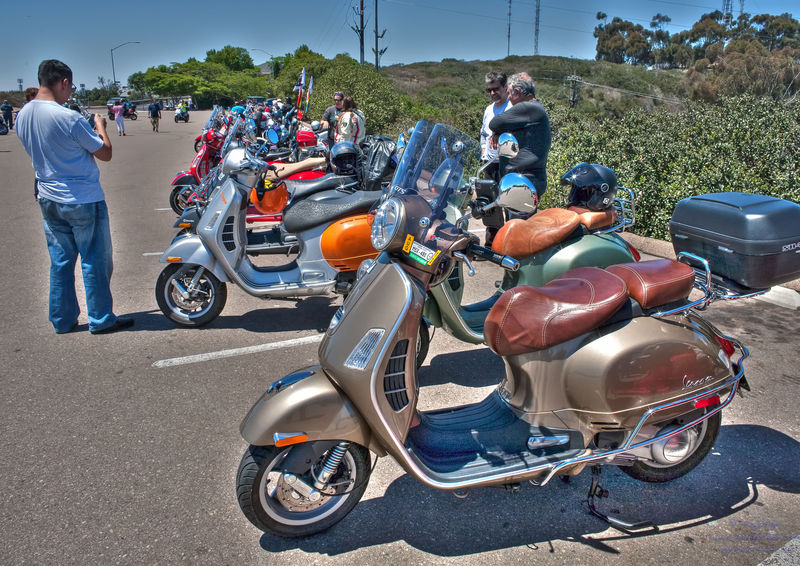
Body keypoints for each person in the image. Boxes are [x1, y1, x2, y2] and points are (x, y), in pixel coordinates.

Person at [15, 59, 134, 335]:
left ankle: (62, 319)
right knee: (94, 259)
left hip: (48, 195)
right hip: (81, 197)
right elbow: (104, 152)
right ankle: (101, 318)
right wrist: (101, 125)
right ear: (64, 82)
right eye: (70, 87)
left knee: (60, 261)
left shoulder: (23, 115)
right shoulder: (67, 117)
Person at [488, 72, 551, 197]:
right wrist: (500, 132)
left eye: (510, 93)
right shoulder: (535, 108)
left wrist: (498, 130)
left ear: (517, 91)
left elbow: (495, 123)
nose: (509, 97)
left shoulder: (527, 107)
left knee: (520, 217)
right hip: (524, 180)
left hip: (524, 181)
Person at [479, 72, 512, 176]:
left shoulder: (513, 107)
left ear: (505, 87)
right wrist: (483, 151)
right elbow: (484, 134)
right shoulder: (488, 109)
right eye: (489, 90)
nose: (492, 93)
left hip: (508, 165)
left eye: (496, 89)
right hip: (489, 164)